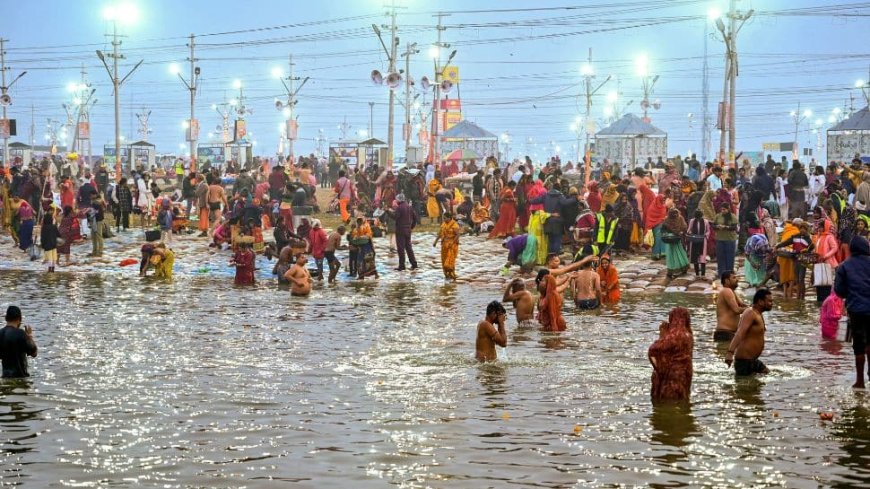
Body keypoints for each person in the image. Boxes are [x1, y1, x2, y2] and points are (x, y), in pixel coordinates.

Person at [833, 236, 870, 388]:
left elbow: (839, 291)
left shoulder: (844, 266)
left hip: (856, 310)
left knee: (859, 345)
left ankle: (860, 381)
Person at [648, 307, 693, 401]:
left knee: (668, 405)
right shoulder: (689, 335)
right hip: (685, 375)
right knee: (682, 404)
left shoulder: (673, 336)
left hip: (672, 377)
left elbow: (652, 350)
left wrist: (659, 369)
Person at [725, 288, 774, 376]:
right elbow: (740, 333)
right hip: (744, 362)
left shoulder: (758, 313)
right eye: (769, 301)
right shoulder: (751, 313)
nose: (772, 304)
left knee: (766, 374)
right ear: (760, 302)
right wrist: (730, 352)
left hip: (752, 361)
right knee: (747, 388)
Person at [0, 306, 38, 378]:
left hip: (5, 377)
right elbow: (34, 353)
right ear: (19, 319)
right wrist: (29, 336)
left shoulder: (0, 333)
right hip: (20, 378)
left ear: (6, 318)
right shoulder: (21, 333)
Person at [714, 271, 747, 341]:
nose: (737, 279)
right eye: (734, 278)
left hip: (728, 333)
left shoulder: (732, 292)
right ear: (727, 280)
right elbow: (736, 310)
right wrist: (751, 309)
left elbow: (743, 306)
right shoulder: (726, 291)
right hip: (724, 333)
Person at [393, 193, 419, 271]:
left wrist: (387, 211)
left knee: (401, 249)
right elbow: (415, 218)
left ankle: (402, 265)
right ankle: (414, 263)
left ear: (399, 200)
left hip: (400, 230)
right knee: (409, 247)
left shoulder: (399, 208)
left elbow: (395, 217)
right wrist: (411, 227)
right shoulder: (409, 207)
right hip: (408, 230)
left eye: (396, 199)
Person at [662, 208, 690, 278]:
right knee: (673, 255)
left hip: (677, 239)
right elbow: (663, 229)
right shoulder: (667, 220)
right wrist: (666, 234)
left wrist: (681, 232)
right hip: (671, 240)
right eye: (673, 214)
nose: (675, 215)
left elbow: (684, 227)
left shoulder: (680, 218)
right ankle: (672, 271)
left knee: (678, 253)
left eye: (676, 214)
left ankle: (682, 268)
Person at [713, 202, 738, 276]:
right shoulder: (718, 216)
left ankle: (729, 272)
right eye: (722, 209)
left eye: (724, 209)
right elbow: (713, 226)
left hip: (730, 239)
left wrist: (726, 227)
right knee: (720, 256)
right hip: (720, 239)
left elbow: (734, 227)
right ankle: (721, 273)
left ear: (728, 209)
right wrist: (717, 226)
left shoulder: (732, 216)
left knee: (730, 256)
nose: (722, 211)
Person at [433, 212, 460, 280]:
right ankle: (446, 274)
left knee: (450, 260)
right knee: (444, 259)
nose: (444, 220)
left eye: (445, 218)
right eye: (443, 218)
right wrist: (435, 242)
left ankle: (452, 273)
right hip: (444, 244)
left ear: (449, 218)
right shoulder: (443, 224)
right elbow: (440, 233)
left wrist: (453, 242)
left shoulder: (454, 225)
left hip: (452, 245)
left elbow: (457, 235)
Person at [686, 209, 711, 277]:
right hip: (694, 241)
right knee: (695, 258)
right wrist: (690, 233)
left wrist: (705, 235)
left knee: (702, 258)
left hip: (703, 241)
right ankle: (697, 274)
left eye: (699, 218)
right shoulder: (692, 221)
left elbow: (708, 231)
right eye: (697, 218)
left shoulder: (705, 221)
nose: (698, 219)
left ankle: (703, 274)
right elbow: (689, 230)